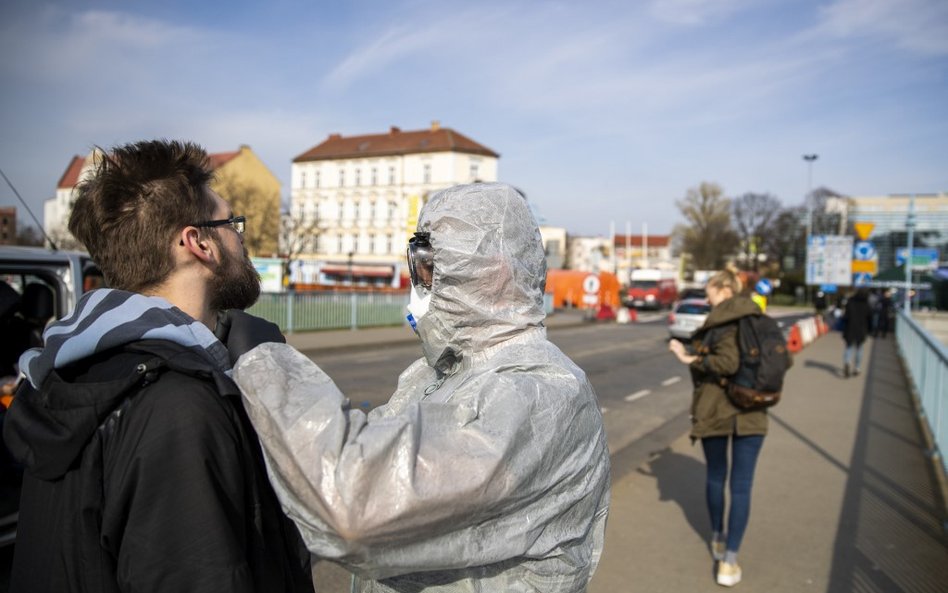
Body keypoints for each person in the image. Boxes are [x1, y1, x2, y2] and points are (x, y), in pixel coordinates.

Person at [230, 182, 611, 592]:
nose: (420, 282)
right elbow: (371, 450)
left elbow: (357, 510)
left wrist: (264, 364)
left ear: (497, 272)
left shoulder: (541, 394)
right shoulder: (439, 373)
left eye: (431, 265)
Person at [2, 140, 313, 593]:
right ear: (198, 242)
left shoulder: (64, 376)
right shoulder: (179, 406)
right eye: (232, 224)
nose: (240, 237)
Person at [668, 268, 765, 588]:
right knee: (741, 486)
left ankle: (719, 540)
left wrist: (689, 358)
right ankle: (730, 561)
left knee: (716, 477)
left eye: (709, 291)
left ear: (725, 290)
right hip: (752, 412)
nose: (706, 297)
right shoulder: (759, 319)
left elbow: (727, 363)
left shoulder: (722, 320)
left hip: (716, 409)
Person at [842, 287, 873, 377]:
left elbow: (845, 316)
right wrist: (870, 330)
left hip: (850, 328)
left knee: (848, 347)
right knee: (859, 348)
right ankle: (857, 368)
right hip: (861, 329)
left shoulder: (850, 302)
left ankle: (847, 362)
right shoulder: (866, 304)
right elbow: (870, 318)